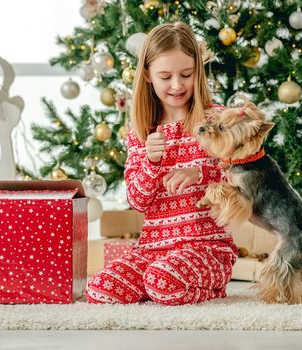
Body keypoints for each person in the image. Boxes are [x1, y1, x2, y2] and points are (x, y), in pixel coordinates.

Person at [86, 22, 237, 305]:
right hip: (153, 250)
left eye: (186, 74)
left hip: (206, 248)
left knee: (163, 283)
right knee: (100, 289)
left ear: (198, 73)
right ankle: (157, 283)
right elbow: (138, 201)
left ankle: (209, 288)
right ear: (147, 75)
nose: (177, 85)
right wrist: (150, 163)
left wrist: (200, 173)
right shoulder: (141, 131)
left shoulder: (217, 120)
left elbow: (243, 180)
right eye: (165, 76)